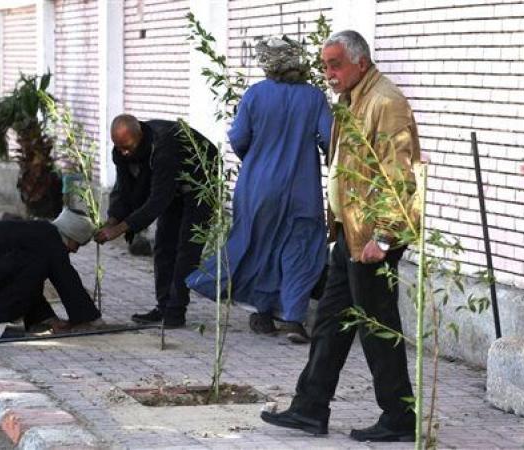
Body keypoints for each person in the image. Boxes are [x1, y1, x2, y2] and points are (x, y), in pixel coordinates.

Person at [260, 30, 421, 442]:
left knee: (377, 327)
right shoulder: (352, 98)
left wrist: (384, 238)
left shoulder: (386, 102)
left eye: (335, 65)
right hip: (350, 236)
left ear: (360, 63)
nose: (328, 73)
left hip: (373, 241)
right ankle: (310, 408)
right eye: (325, 65)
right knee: (331, 323)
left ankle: (401, 417)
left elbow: (401, 175)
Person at [185, 36, 332, 343]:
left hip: (258, 186)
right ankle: (293, 319)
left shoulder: (255, 95)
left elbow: (238, 138)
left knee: (258, 245)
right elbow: (330, 141)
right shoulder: (314, 97)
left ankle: (255, 308)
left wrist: (259, 158)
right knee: (299, 250)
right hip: (302, 189)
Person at [95, 115, 215, 328]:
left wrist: (122, 228)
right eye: (119, 147)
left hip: (201, 183)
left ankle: (175, 311)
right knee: (163, 245)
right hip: (173, 186)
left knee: (187, 248)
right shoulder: (122, 151)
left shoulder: (164, 147)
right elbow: (123, 190)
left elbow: (158, 201)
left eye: (127, 147)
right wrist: (111, 221)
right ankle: (163, 306)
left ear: (139, 134)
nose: (123, 152)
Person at [0, 208, 102, 339]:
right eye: (77, 244)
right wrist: (87, 319)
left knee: (30, 268)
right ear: (71, 236)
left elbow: (26, 280)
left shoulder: (39, 233)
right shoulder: (49, 242)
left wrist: (49, 320)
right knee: (32, 270)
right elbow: (66, 281)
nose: (75, 250)